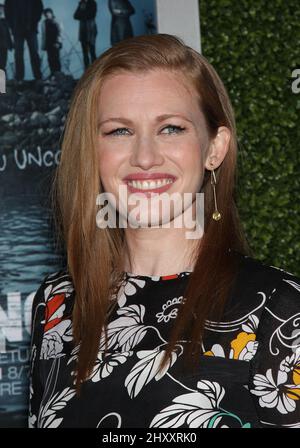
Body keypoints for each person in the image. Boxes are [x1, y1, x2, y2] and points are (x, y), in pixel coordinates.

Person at [28, 34, 300, 428]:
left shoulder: (282, 309)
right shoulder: (55, 304)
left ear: (214, 148)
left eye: (171, 128)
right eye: (119, 131)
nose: (144, 157)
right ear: (91, 149)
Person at [4, 0, 43, 81]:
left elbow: (39, 8)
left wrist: (34, 23)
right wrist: (12, 26)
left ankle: (38, 77)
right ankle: (19, 78)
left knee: (34, 53)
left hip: (31, 29)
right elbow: (7, 12)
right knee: (18, 54)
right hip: (17, 30)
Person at [73, 0, 97, 69]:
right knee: (85, 53)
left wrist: (82, 13)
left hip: (91, 31)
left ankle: (95, 71)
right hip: (83, 32)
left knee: (92, 52)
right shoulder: (81, 3)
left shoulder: (92, 3)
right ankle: (87, 72)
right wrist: (84, 14)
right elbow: (75, 16)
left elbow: (92, 15)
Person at [41, 8, 62, 76]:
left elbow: (60, 33)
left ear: (51, 13)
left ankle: (58, 73)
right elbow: (43, 35)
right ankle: (52, 73)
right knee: (50, 59)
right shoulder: (44, 23)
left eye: (48, 13)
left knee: (56, 58)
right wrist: (43, 45)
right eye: (45, 14)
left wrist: (58, 42)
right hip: (48, 44)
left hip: (55, 43)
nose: (47, 15)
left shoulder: (56, 21)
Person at [0, 3, 13, 72]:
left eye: (2, 9)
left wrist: (10, 44)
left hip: (4, 45)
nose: (1, 10)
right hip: (3, 44)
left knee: (3, 64)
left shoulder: (5, 21)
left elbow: (8, 34)